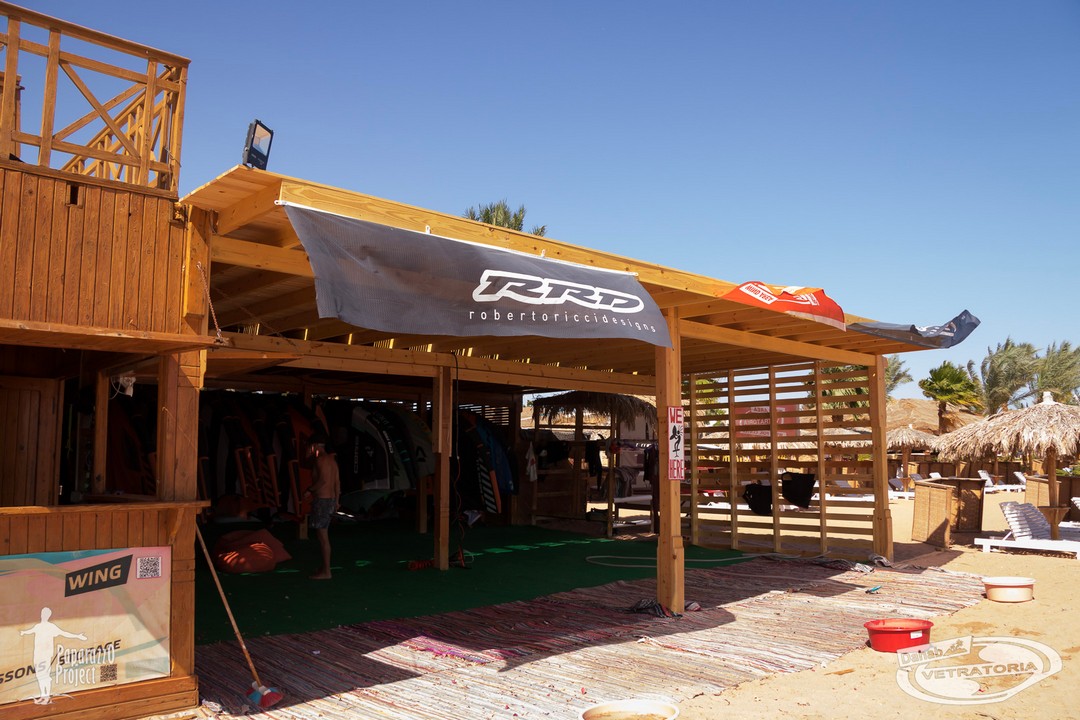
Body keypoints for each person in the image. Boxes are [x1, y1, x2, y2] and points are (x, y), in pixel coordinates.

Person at [20, 607, 86, 703]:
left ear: (48, 616)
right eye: (43, 613)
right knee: (39, 675)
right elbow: (30, 631)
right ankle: (43, 695)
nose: (43, 615)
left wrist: (77, 636)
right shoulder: (38, 626)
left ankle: (47, 696)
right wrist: (23, 632)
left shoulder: (51, 627)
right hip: (37, 654)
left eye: (45, 614)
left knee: (45, 675)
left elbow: (63, 633)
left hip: (46, 655)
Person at [304, 433, 340, 580]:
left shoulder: (320, 460)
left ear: (314, 446)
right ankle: (324, 567)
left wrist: (309, 490)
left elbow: (323, 481)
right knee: (323, 536)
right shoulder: (332, 461)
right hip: (330, 500)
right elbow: (337, 483)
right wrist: (336, 501)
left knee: (323, 537)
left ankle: (327, 572)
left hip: (322, 501)